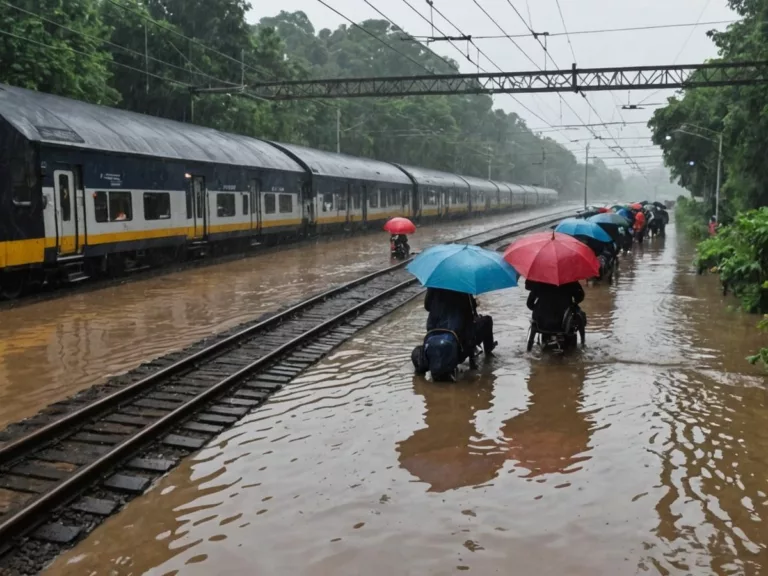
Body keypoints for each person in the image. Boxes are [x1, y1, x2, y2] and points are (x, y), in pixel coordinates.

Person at [413, 288, 496, 378]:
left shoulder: (434, 285)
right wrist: (475, 303)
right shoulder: (463, 287)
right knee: (487, 320)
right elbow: (470, 312)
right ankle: (489, 352)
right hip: (460, 343)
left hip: (434, 335)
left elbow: (427, 306)